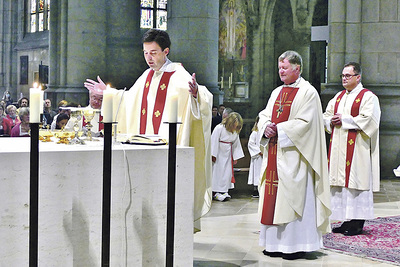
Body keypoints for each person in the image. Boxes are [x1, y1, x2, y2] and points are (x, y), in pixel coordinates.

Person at [84, 28, 213, 232]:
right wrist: (108, 94)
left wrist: (197, 93)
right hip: (143, 147)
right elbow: (127, 100)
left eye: (153, 53)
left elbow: (201, 100)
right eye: (145, 53)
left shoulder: (179, 75)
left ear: (166, 51)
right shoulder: (146, 76)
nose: (148, 58)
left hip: (168, 149)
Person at [257, 50, 331, 260]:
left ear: (297, 68)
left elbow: (307, 124)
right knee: (272, 199)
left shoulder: (308, 92)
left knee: (293, 200)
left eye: (285, 67)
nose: (281, 71)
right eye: (279, 67)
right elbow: (264, 114)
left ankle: (295, 245)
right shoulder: (276, 92)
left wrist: (279, 129)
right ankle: (273, 244)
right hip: (275, 153)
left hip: (295, 157)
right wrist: (266, 127)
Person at [323, 62, 381, 236]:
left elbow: (370, 119)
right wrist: (330, 121)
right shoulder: (338, 97)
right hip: (338, 148)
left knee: (356, 184)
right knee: (340, 186)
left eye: (348, 75)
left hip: (358, 150)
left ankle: (357, 223)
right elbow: (326, 115)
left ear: (358, 77)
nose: (344, 79)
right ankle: (346, 220)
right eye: (342, 76)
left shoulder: (368, 97)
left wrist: (345, 120)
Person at [211, 112, 244, 201]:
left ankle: (224, 191)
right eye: (234, 125)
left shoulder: (235, 131)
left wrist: (235, 157)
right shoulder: (219, 128)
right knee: (217, 172)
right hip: (219, 153)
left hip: (228, 154)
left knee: (227, 173)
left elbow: (236, 144)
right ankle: (215, 192)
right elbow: (213, 141)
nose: (234, 127)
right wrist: (213, 154)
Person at [247, 116, 262, 198]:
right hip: (258, 157)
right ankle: (256, 189)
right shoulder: (255, 132)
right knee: (257, 173)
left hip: (264, 156)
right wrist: (259, 152)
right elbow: (251, 143)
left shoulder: (264, 132)